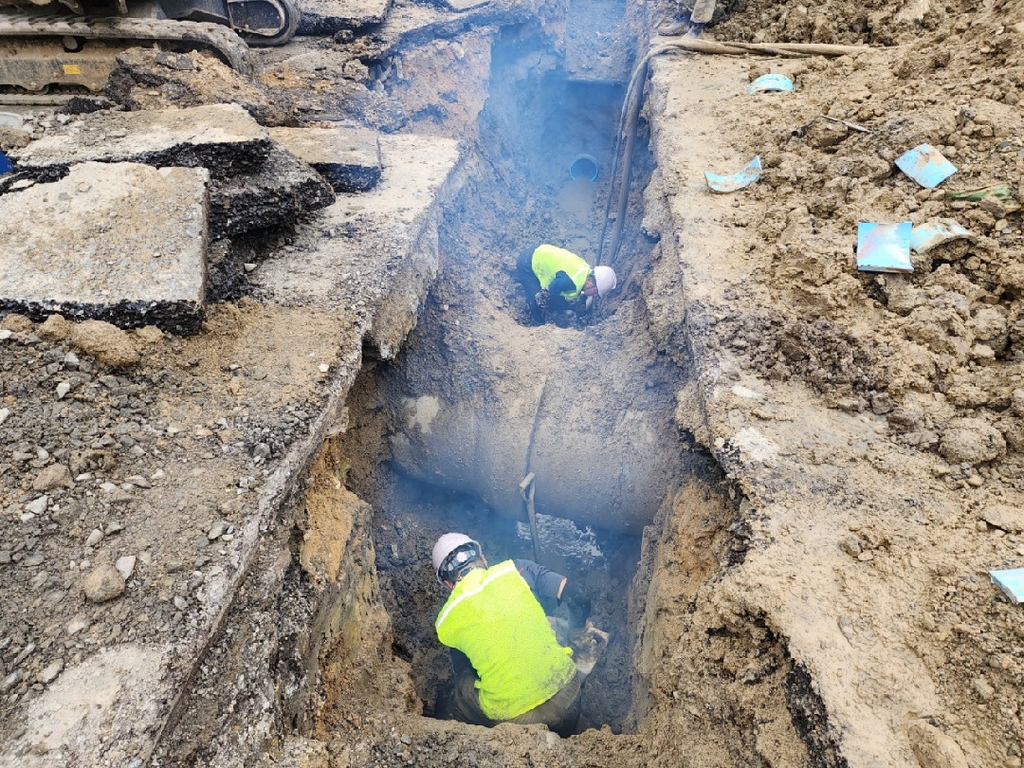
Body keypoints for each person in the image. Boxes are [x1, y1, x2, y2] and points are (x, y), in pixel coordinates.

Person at [431, 533, 593, 736]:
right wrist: (576, 634)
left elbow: (463, 668)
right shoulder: (516, 570)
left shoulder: (447, 618)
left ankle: (467, 736)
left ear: (447, 584)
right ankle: (573, 734)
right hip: (568, 695)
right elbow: (579, 596)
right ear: (483, 559)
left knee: (462, 688)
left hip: (517, 722)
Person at [516, 244, 617, 325]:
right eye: (595, 292)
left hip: (542, 252)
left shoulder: (584, 271)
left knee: (557, 300)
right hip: (528, 262)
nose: (594, 296)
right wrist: (550, 320)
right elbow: (541, 297)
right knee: (535, 302)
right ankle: (537, 324)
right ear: (590, 281)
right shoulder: (568, 281)